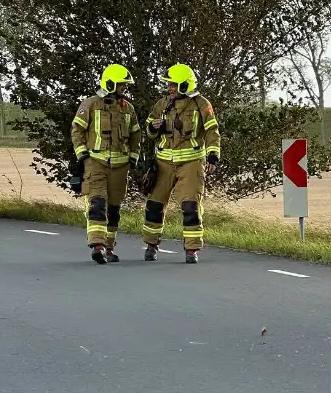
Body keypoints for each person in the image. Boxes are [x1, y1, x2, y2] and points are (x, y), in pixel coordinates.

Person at [141, 63, 220, 264]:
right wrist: (152, 127)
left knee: (190, 205)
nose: (170, 88)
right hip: (164, 162)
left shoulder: (202, 104)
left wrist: (212, 155)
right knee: (154, 205)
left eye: (173, 85)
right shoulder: (161, 105)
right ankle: (151, 245)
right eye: (169, 85)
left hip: (191, 162)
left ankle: (191, 249)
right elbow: (149, 132)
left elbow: (212, 130)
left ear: (185, 85)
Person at [70, 64, 143, 264]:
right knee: (97, 204)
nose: (124, 89)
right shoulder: (91, 104)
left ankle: (109, 247)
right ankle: (97, 245)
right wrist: (83, 155)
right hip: (96, 163)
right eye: (121, 85)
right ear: (110, 83)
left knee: (113, 209)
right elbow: (77, 130)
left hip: (120, 167)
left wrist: (133, 157)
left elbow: (137, 134)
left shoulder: (128, 108)